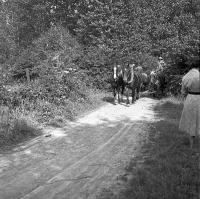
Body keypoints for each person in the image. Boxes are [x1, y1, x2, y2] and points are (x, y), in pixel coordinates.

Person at [179, 62, 200, 148]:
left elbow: (183, 92)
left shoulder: (186, 77)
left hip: (190, 98)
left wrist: (186, 98)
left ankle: (191, 144)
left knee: (191, 120)